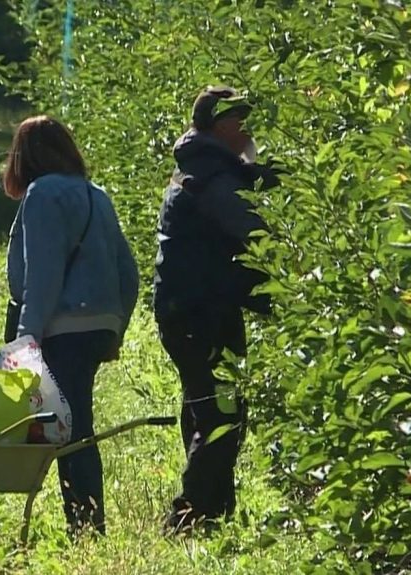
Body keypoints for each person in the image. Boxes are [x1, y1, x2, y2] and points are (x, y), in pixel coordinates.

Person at [2, 115, 139, 535]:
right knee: (74, 418)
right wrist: (116, 327)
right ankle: (84, 519)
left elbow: (42, 274)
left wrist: (26, 338)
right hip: (98, 325)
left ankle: (86, 524)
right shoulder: (96, 195)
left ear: (22, 158)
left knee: (70, 427)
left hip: (62, 327)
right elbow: (128, 271)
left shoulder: (42, 195)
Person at [154, 86, 280, 534]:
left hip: (195, 310)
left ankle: (212, 511)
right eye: (242, 121)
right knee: (220, 413)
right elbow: (257, 234)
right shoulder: (214, 178)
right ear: (224, 125)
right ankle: (191, 515)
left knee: (208, 407)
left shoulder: (206, 168)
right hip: (200, 313)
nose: (248, 131)